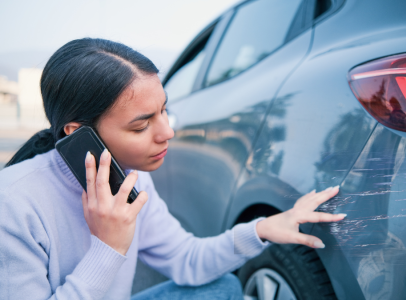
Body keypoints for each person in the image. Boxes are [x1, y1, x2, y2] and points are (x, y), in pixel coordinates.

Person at [0, 38, 346, 300]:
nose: (168, 133)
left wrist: (263, 229)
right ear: (79, 135)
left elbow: (187, 258)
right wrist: (108, 246)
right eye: (141, 126)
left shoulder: (131, 182)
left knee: (222, 287)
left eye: (164, 111)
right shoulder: (14, 202)